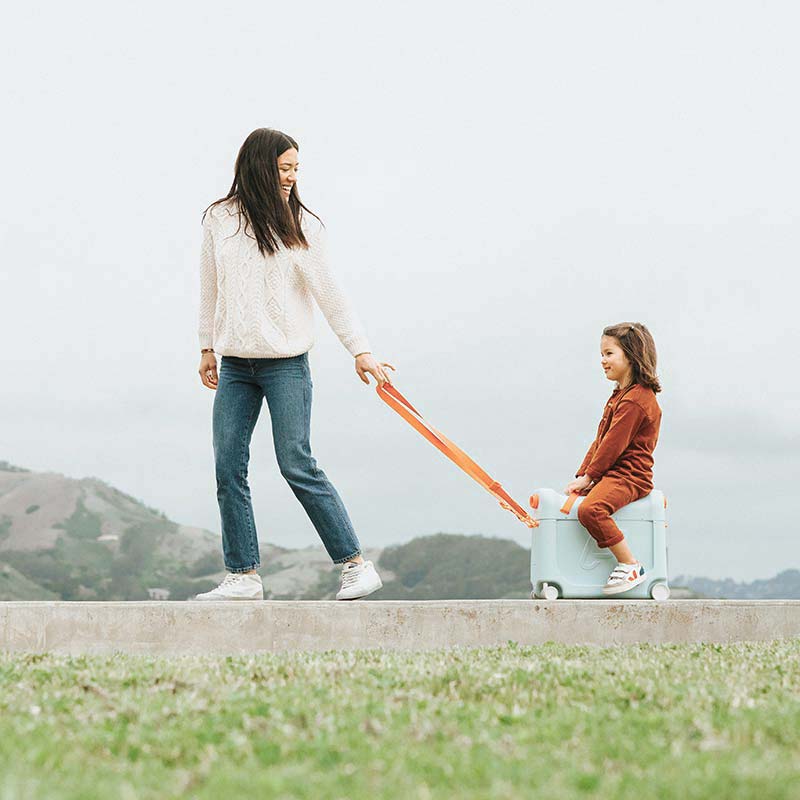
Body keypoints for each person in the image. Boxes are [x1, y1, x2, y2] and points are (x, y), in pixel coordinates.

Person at [193, 128, 394, 602]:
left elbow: (331, 293)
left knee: (296, 463)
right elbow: (209, 285)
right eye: (285, 168)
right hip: (236, 366)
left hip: (286, 365)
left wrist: (360, 349)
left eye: (296, 169)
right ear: (259, 166)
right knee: (227, 467)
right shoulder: (219, 219)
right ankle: (243, 576)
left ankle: (355, 565)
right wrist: (206, 346)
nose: (291, 177)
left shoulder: (303, 224)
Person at [564, 322, 662, 595]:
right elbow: (600, 440)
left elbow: (613, 444)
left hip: (630, 476)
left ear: (630, 356)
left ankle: (630, 564)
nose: (602, 361)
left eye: (609, 354)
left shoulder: (636, 400)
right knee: (578, 505)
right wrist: (583, 475)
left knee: (590, 510)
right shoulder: (621, 396)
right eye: (602, 354)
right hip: (612, 473)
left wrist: (590, 476)